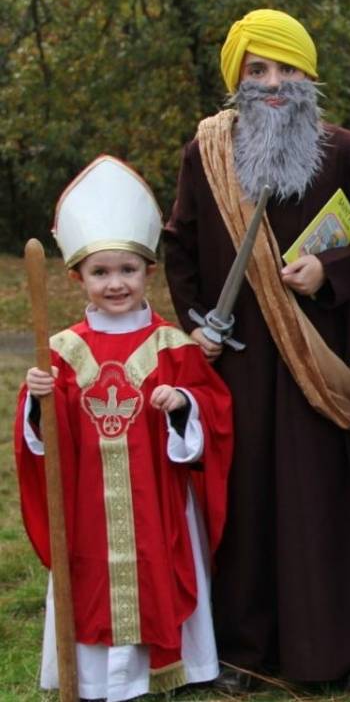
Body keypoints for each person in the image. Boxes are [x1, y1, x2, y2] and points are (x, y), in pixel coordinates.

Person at [162, 8, 350, 692]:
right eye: (258, 69)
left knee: (318, 496)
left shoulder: (346, 149)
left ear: (309, 76)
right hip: (234, 360)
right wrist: (194, 323)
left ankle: (342, 654)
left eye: (287, 69)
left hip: (314, 354)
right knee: (242, 499)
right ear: (237, 77)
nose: (273, 83)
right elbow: (178, 247)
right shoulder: (205, 152)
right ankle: (242, 653)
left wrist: (333, 272)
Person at [15, 156, 233, 702]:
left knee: (160, 566)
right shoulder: (61, 351)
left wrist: (181, 402)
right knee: (90, 576)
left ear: (149, 273)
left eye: (128, 270)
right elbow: (42, 441)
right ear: (77, 278)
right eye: (101, 272)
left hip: (157, 500)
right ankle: (91, 676)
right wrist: (40, 400)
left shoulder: (172, 346)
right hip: (89, 505)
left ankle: (170, 666)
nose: (116, 284)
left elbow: (215, 410)